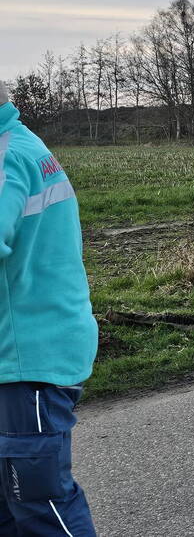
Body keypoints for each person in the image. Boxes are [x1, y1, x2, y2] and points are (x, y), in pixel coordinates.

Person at [0, 82, 98, 535]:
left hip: (27, 361)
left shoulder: (6, 156)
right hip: (29, 352)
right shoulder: (20, 141)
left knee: (38, 504)